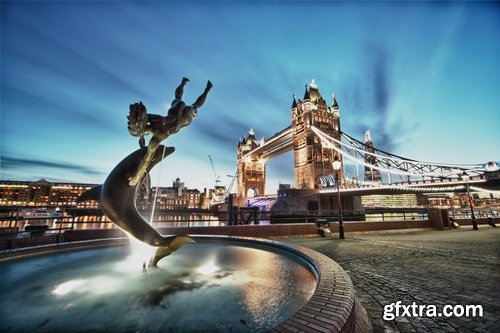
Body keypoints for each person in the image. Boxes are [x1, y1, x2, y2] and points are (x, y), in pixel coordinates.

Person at [127, 78, 212, 186]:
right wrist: (142, 136)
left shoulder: (156, 135)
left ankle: (202, 88)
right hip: (178, 115)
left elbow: (146, 160)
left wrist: (135, 179)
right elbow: (146, 124)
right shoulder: (153, 123)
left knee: (191, 104)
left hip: (179, 119)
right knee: (185, 102)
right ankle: (197, 87)